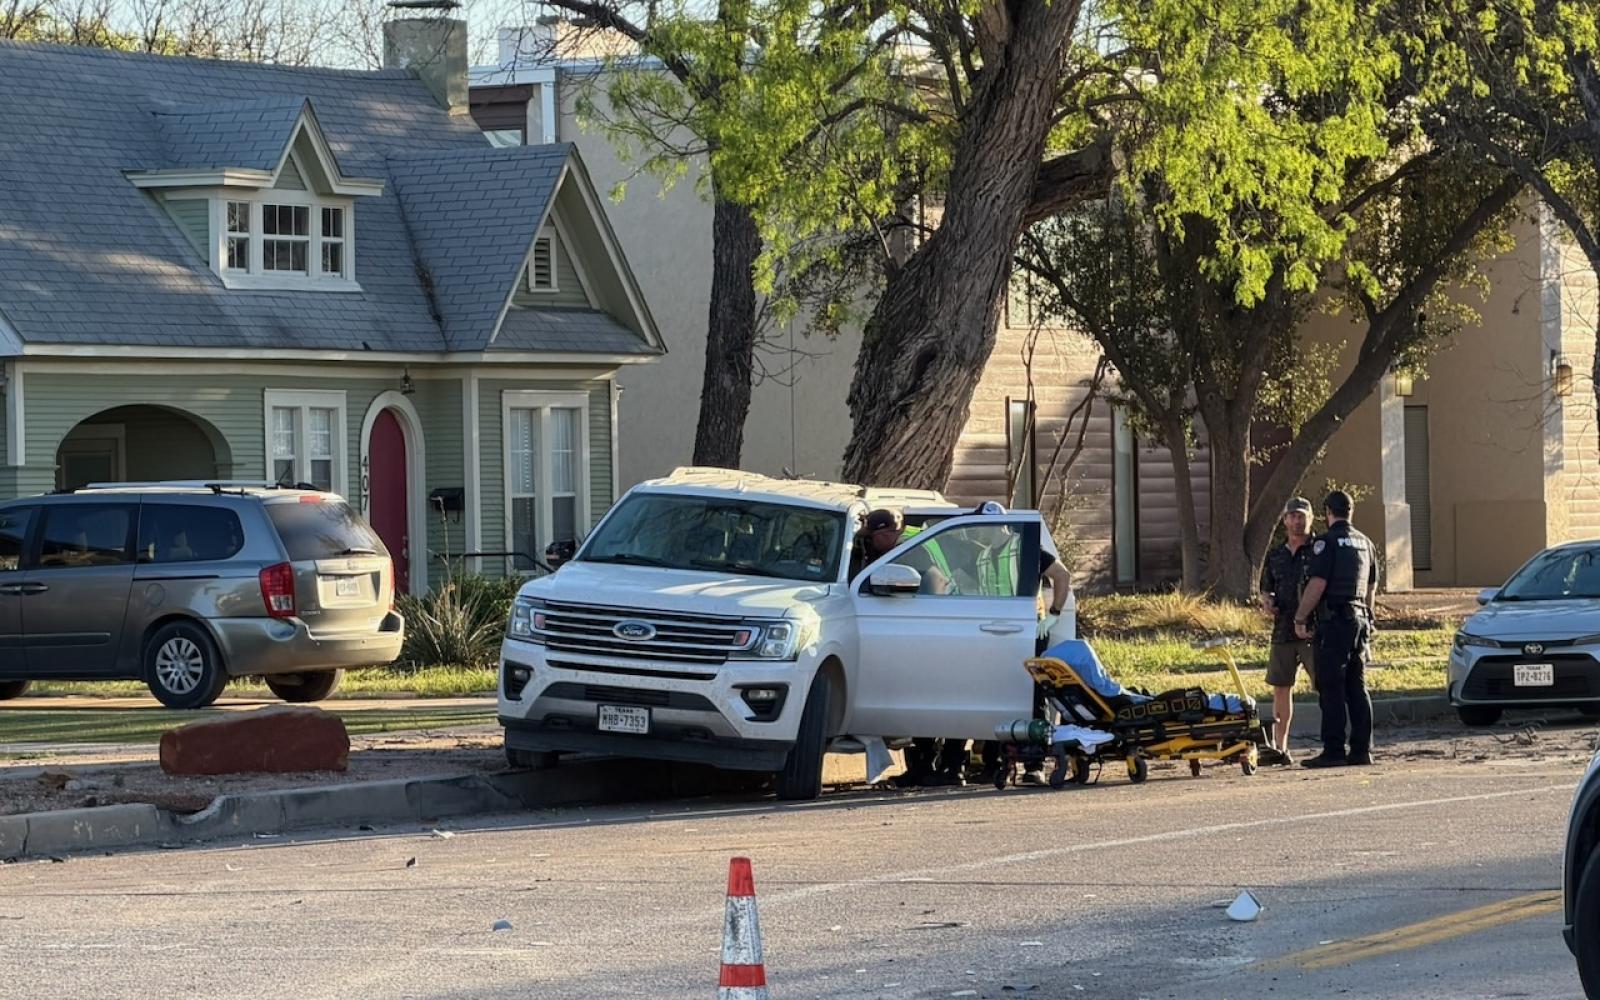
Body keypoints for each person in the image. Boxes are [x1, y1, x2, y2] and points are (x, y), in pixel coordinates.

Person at [1292, 490, 1378, 768]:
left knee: (1331, 687)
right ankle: (1362, 750)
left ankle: (1334, 750)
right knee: (1357, 686)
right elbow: (1370, 588)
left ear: (1328, 512)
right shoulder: (1366, 543)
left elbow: (1318, 584)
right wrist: (1368, 619)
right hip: (1359, 621)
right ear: (1351, 511)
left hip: (1335, 622)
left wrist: (1300, 617)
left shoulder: (1326, 543)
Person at [1258, 497, 1317, 765]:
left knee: (1326, 684)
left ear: (1311, 519)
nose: (1297, 521)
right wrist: (1267, 603)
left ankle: (1336, 742)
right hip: (1283, 630)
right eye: (1292, 516)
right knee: (1281, 687)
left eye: (1302, 516)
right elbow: (1265, 589)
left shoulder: (1319, 549)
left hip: (1314, 630)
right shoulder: (1276, 555)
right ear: (1284, 521)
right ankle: (1280, 747)